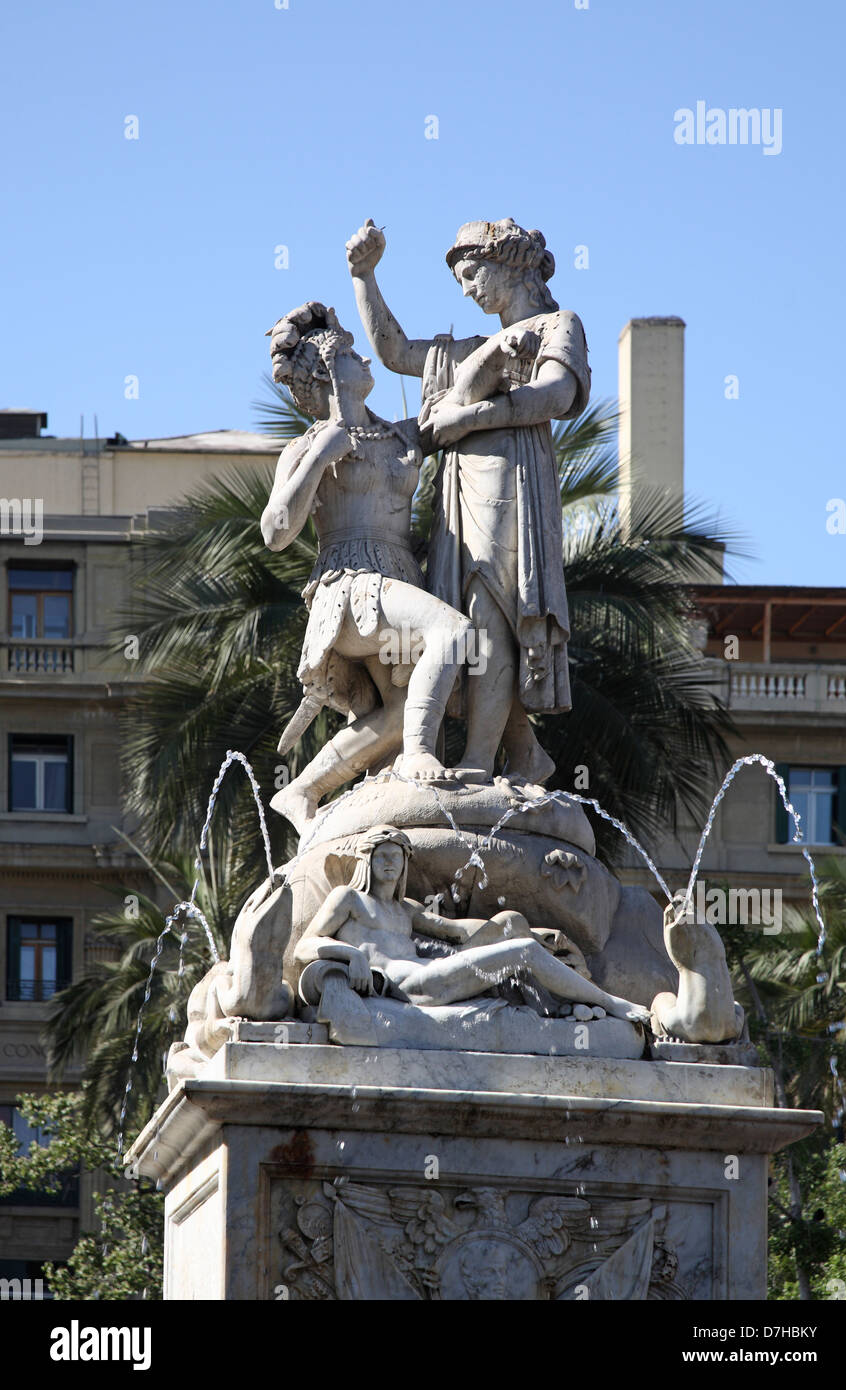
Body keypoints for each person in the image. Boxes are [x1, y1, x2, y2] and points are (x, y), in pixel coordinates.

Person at [347, 217, 591, 784]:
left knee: (490, 616)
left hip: (514, 487)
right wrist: (364, 277)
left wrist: (467, 417)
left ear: (512, 263)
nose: (467, 288)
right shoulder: (471, 350)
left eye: (473, 273)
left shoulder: (559, 325)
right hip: (462, 495)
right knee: (471, 621)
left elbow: (556, 393)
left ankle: (482, 762)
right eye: (460, 279)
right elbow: (393, 349)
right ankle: (524, 753)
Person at [261, 302, 472, 830]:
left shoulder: (401, 435)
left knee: (399, 714)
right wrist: (318, 457)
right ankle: (420, 757)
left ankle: (302, 791)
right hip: (352, 585)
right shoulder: (307, 445)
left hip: (402, 576)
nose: (365, 361)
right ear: (325, 371)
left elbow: (456, 407)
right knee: (453, 631)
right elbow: (275, 533)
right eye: (352, 355)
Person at [295, 824, 650, 1021]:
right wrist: (350, 955)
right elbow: (304, 946)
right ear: (367, 862)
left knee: (516, 932)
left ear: (405, 863)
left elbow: (457, 931)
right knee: (522, 952)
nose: (390, 863)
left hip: (433, 972)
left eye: (396, 857)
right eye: (381, 856)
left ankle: (567, 1003)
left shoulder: (407, 910)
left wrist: (518, 928)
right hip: (411, 984)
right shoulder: (348, 899)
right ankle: (611, 1002)